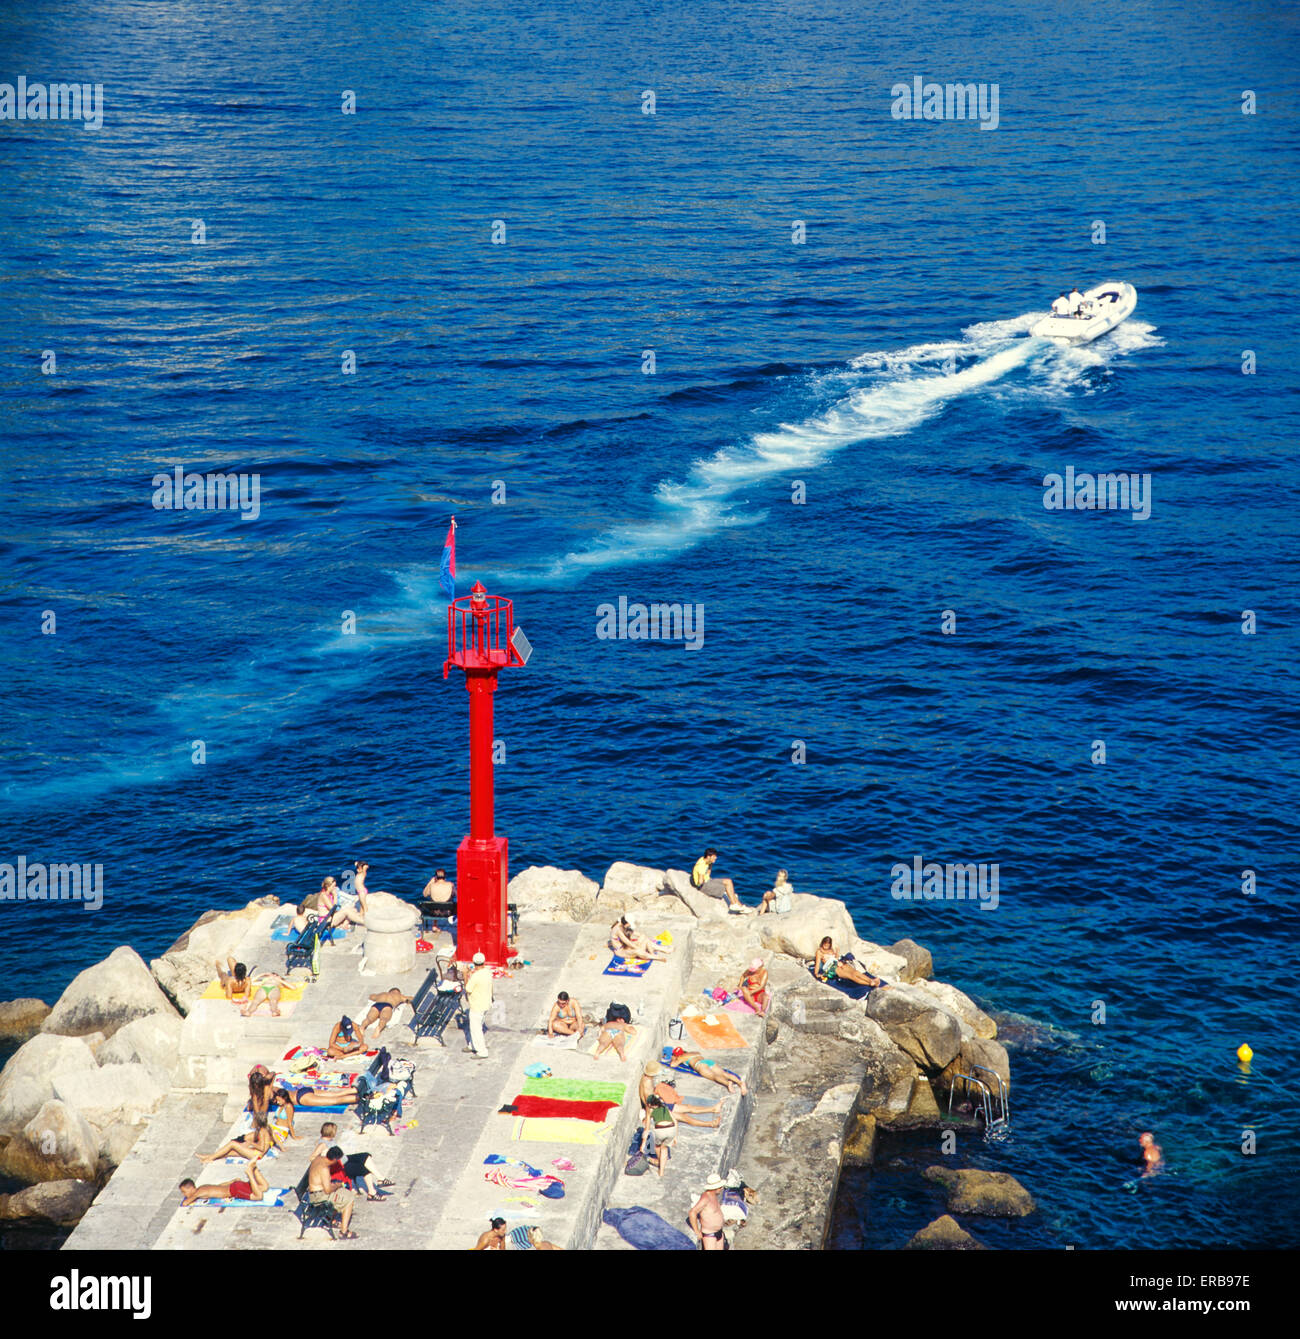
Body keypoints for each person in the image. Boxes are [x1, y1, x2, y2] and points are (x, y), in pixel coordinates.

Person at [640, 1060, 721, 1129]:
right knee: (685, 1117)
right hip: (658, 1110)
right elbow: (648, 1105)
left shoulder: (647, 1078)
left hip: (659, 1104)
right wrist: (649, 1119)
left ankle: (713, 1109)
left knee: (688, 1107)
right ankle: (711, 1124)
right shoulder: (647, 1085)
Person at [307, 1145, 356, 1239]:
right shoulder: (324, 1168)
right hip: (319, 1197)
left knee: (347, 1194)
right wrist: (337, 1185)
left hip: (317, 1192)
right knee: (349, 1199)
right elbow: (328, 1190)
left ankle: (330, 1218)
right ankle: (344, 1231)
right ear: (334, 1159)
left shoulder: (320, 1158)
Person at [198, 1112, 280, 1163]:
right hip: (257, 1153)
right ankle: (209, 1156)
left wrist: (251, 1143)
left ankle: (210, 1158)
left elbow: (262, 1148)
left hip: (256, 1154)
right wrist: (282, 1148)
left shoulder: (262, 1132)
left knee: (232, 1144)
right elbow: (274, 1139)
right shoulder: (267, 1128)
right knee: (230, 1153)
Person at [179, 1161, 270, 1206]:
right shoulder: (203, 1187)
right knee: (264, 1187)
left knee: (258, 1196)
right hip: (234, 1185)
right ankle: (255, 1169)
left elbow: (185, 1203)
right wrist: (232, 1181)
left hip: (235, 1190)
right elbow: (219, 1186)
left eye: (184, 1191)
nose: (184, 1194)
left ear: (191, 1188)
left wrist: (188, 1198)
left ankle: (250, 1173)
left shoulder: (197, 1193)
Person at [814, 937, 888, 990]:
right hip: (832, 967)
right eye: (825, 945)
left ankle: (871, 981)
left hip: (838, 963)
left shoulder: (831, 949)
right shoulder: (819, 952)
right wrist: (816, 973)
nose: (826, 947)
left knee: (855, 972)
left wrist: (837, 952)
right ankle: (871, 984)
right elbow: (817, 964)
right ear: (822, 943)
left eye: (827, 945)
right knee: (851, 976)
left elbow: (835, 958)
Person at [690, 848, 750, 913]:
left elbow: (709, 870)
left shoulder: (707, 860)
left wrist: (708, 877)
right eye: (714, 856)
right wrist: (701, 885)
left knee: (728, 881)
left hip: (707, 880)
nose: (716, 858)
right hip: (702, 886)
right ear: (708, 856)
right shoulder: (701, 865)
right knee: (725, 887)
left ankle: (739, 906)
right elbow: (700, 881)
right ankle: (734, 905)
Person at [669, 1048, 746, 1095]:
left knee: (714, 1076)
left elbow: (673, 1065)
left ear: (677, 1055)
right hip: (708, 1061)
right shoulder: (694, 1052)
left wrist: (674, 1058)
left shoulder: (681, 1057)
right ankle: (740, 1083)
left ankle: (727, 1083)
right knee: (724, 1073)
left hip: (699, 1065)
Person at [688, 1174, 729, 1250]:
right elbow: (692, 1212)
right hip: (710, 1235)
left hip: (719, 1232)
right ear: (715, 1188)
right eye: (720, 1187)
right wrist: (697, 1231)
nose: (722, 1188)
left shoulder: (713, 1196)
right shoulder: (705, 1198)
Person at [464, 951, 492, 1059]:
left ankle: (482, 1051)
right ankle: (472, 1045)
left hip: (477, 1005)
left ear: (474, 963)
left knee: (476, 1029)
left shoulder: (475, 976)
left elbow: (468, 988)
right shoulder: (487, 972)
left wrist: (465, 975)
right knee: (476, 1026)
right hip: (486, 1003)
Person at [643, 1094, 678, 1177]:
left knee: (657, 1147)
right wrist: (675, 1137)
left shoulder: (650, 1110)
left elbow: (647, 1129)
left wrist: (643, 1144)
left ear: (650, 1104)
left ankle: (659, 1162)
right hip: (671, 1129)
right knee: (665, 1148)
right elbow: (676, 1122)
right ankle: (661, 1172)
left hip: (660, 1129)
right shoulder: (666, 1108)